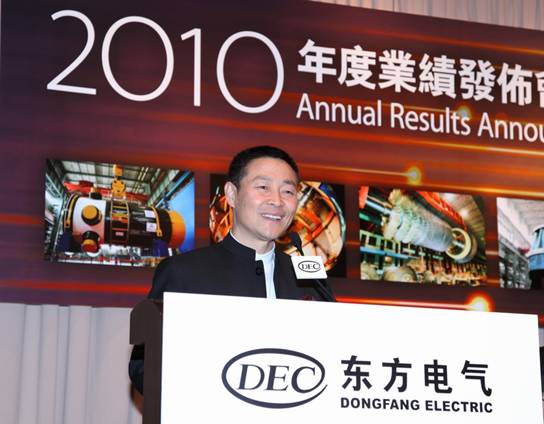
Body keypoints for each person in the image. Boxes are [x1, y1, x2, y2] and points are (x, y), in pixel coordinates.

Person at [129, 145, 331, 394]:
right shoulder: (183, 272)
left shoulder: (310, 277)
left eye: (288, 191)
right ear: (232, 194)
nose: (277, 201)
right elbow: (144, 368)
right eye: (263, 187)